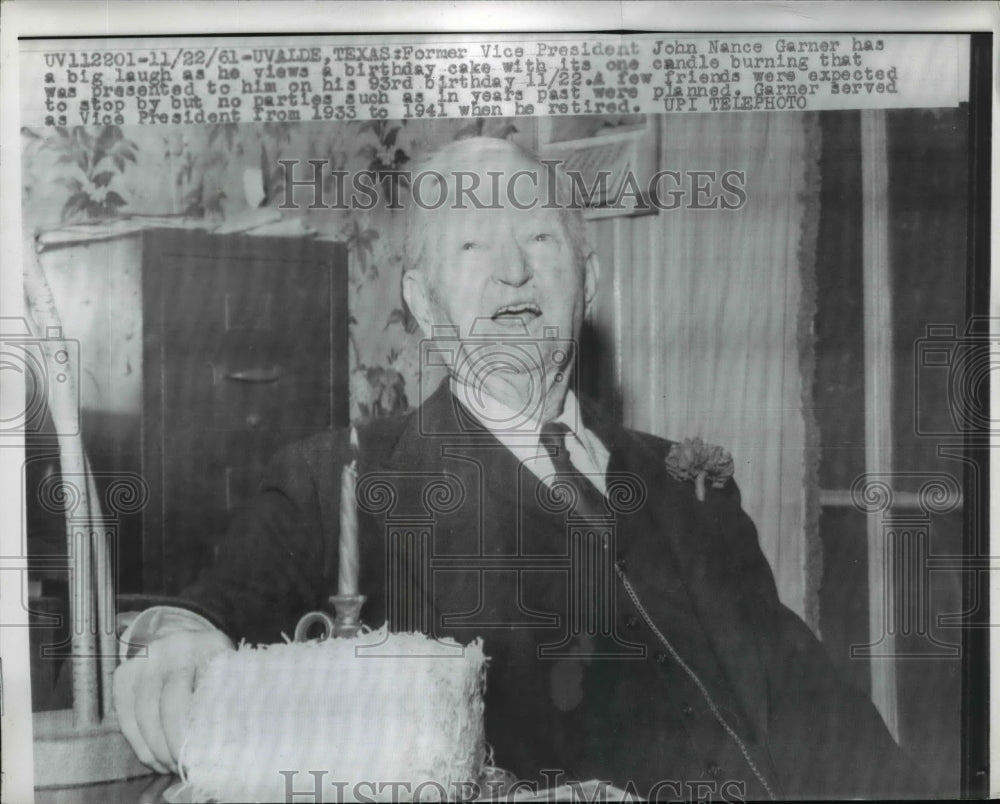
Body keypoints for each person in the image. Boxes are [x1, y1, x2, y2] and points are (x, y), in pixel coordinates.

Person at [114, 137, 921, 800]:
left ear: (590, 282)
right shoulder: (342, 482)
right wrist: (179, 645)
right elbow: (202, 618)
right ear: (424, 302)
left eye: (539, 237)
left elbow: (823, 721)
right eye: (471, 243)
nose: (514, 271)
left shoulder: (685, 483)